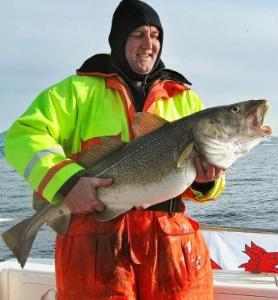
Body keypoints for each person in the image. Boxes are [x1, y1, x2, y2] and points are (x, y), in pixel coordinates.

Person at [4, 0, 225, 299]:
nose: (149, 44)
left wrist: (208, 181)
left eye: (156, 35)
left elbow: (204, 189)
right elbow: (22, 136)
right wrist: (66, 182)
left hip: (172, 251)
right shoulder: (76, 92)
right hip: (96, 250)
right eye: (138, 34)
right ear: (119, 39)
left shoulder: (186, 101)